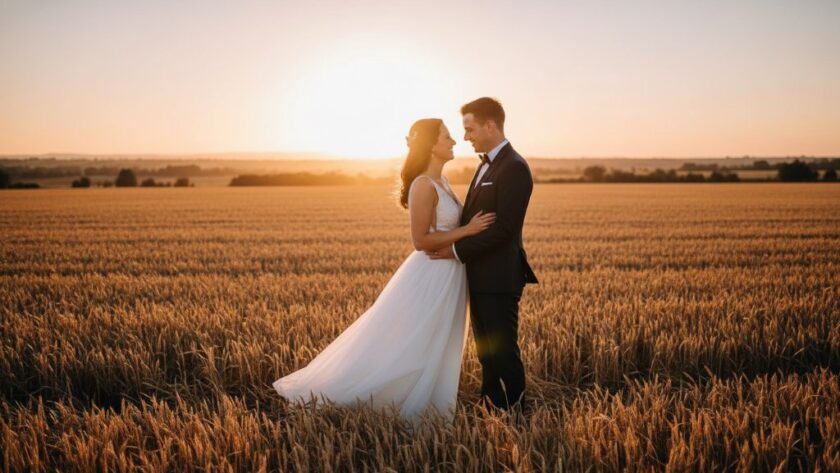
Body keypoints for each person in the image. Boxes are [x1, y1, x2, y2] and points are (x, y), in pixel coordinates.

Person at [273, 118, 495, 421]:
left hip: (449, 273)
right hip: (431, 274)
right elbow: (420, 240)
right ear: (430, 145)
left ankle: (428, 402)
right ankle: (389, 401)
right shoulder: (423, 185)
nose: (454, 141)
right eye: (447, 137)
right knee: (415, 340)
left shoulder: (442, 181)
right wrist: (467, 231)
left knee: (437, 340)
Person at [428, 97, 538, 413]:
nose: (466, 137)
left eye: (470, 128)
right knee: (487, 352)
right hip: (480, 276)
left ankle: (515, 414)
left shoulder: (514, 167)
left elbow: (504, 229)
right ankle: (491, 408)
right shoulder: (486, 164)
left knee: (502, 352)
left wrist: (455, 250)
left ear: (490, 125)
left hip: (499, 277)